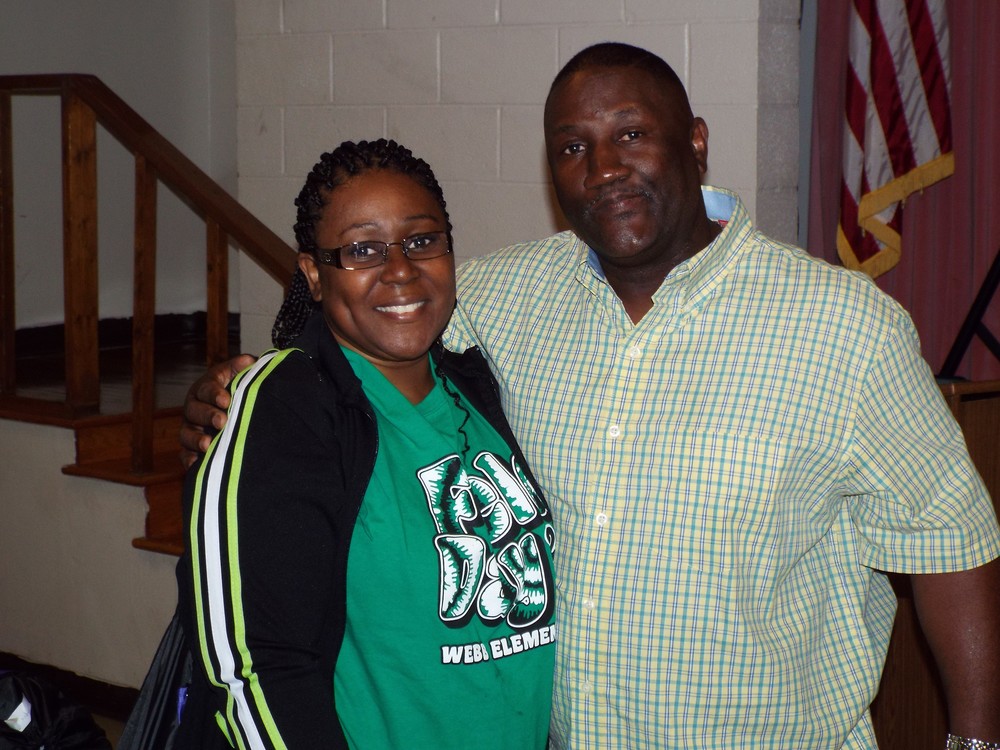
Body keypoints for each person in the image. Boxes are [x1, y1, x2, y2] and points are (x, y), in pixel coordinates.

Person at [181, 44, 1000, 749]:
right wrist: (241, 390)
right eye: (572, 147)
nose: (603, 168)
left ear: (695, 141)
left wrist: (975, 740)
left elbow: (953, 545)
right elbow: (370, 321)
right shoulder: (504, 297)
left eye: (631, 134)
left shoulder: (848, 329)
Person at [174, 139, 556, 750]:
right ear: (313, 275)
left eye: (422, 240)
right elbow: (251, 667)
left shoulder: (482, 389)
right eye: (362, 250)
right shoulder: (284, 410)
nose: (400, 269)